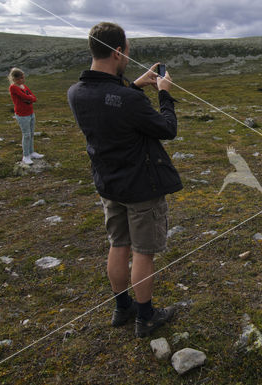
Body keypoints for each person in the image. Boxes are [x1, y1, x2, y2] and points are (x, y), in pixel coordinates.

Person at [67, 22, 183, 338]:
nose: (128, 57)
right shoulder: (128, 100)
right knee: (143, 251)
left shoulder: (75, 92)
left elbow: (109, 105)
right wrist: (163, 94)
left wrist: (133, 86)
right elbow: (166, 129)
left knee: (118, 244)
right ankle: (146, 317)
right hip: (141, 186)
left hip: (108, 183)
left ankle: (122, 307)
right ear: (118, 52)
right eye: (127, 51)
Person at [8, 67, 44, 165]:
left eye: (23, 78)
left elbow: (34, 98)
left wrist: (29, 98)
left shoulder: (24, 86)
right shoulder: (13, 87)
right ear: (14, 79)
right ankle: (26, 156)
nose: (23, 80)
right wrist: (29, 98)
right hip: (22, 114)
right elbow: (25, 97)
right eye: (20, 78)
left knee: (31, 133)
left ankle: (31, 152)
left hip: (30, 112)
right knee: (26, 134)